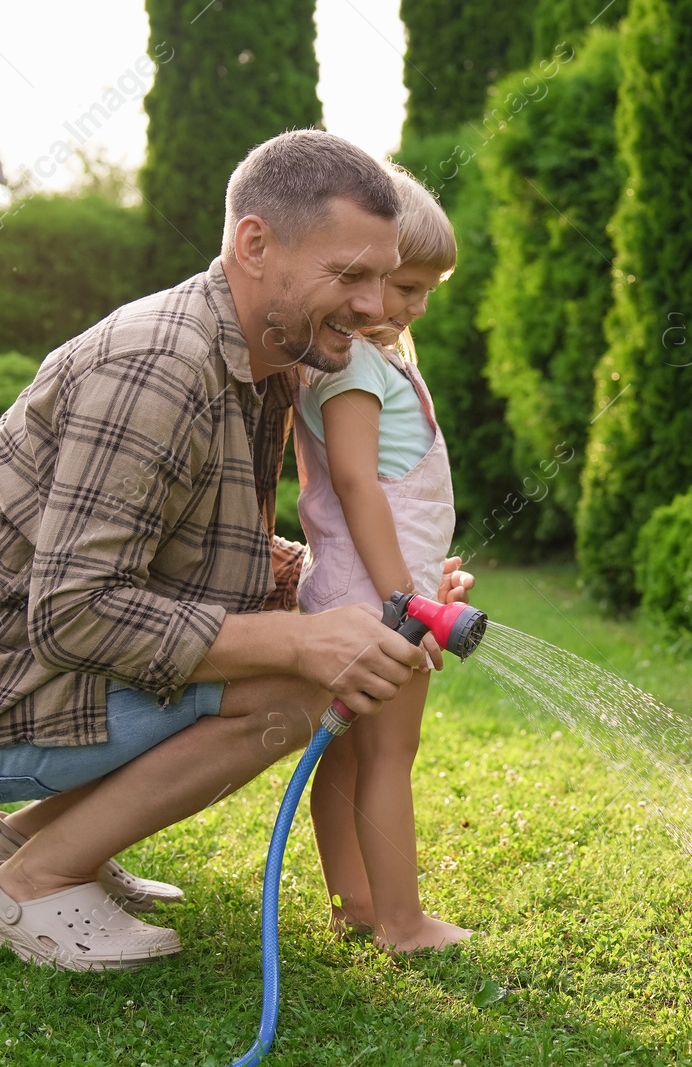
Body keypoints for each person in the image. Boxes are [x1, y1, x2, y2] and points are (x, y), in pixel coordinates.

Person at [0, 130, 473, 972]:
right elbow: (74, 611)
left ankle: (31, 839)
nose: (376, 309)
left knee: (318, 638)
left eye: (383, 275)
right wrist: (302, 638)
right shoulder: (160, 368)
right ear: (255, 244)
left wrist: (376, 593)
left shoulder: (265, 359)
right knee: (296, 679)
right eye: (349, 275)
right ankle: (35, 881)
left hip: (13, 669)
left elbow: (209, 551)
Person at [294, 168, 472, 953]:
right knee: (392, 752)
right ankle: (403, 921)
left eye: (428, 290)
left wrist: (422, 571)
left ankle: (356, 903)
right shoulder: (361, 367)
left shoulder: (355, 361)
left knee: (341, 751)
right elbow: (359, 484)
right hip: (377, 597)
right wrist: (407, 596)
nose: (412, 306)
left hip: (352, 586)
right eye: (403, 284)